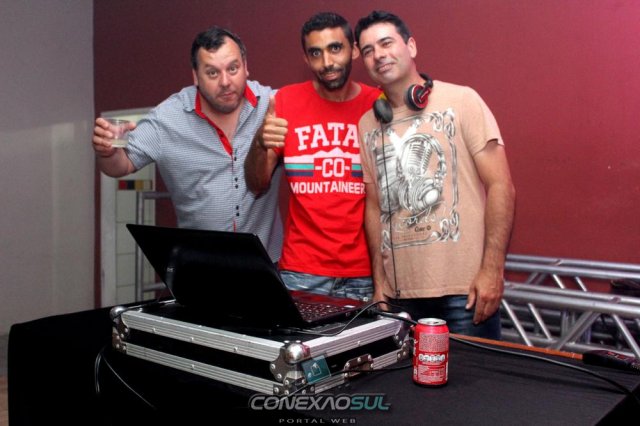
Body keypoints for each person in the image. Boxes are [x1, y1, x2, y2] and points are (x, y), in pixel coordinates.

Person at [354, 10, 516, 338]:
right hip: (400, 298)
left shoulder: (462, 100)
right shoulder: (368, 124)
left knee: (474, 374)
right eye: (368, 50)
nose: (378, 55)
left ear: (411, 46)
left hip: (464, 293)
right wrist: (379, 283)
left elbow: (501, 186)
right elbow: (374, 206)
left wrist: (492, 270)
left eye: (386, 43)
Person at [93, 26, 283, 262]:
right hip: (199, 265)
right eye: (212, 73)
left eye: (233, 69)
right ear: (195, 77)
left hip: (266, 264)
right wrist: (107, 151)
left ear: (245, 67)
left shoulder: (273, 106)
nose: (225, 81)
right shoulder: (168, 119)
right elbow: (121, 165)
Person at [245, 12, 381, 301]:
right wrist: (259, 142)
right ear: (306, 59)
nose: (327, 62)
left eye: (335, 48)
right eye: (316, 53)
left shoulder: (376, 103)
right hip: (302, 270)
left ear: (354, 50)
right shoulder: (285, 101)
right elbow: (257, 184)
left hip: (365, 271)